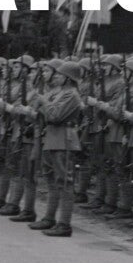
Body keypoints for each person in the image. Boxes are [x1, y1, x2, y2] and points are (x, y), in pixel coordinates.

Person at [34, 60, 85, 236]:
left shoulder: (71, 95)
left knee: (64, 182)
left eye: (60, 75)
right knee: (52, 180)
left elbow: (55, 115)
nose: (57, 77)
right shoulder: (61, 93)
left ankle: (64, 224)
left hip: (64, 138)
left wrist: (43, 102)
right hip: (53, 137)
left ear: (68, 78)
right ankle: (49, 218)